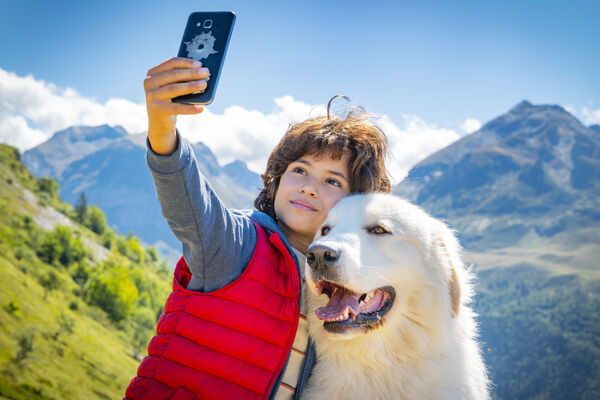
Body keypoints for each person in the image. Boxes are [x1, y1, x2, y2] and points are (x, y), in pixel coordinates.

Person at [124, 57, 391, 400]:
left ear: (355, 203)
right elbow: (187, 200)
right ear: (277, 179)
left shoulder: (347, 289)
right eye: (299, 170)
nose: (309, 187)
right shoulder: (234, 244)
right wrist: (163, 132)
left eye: (332, 181)